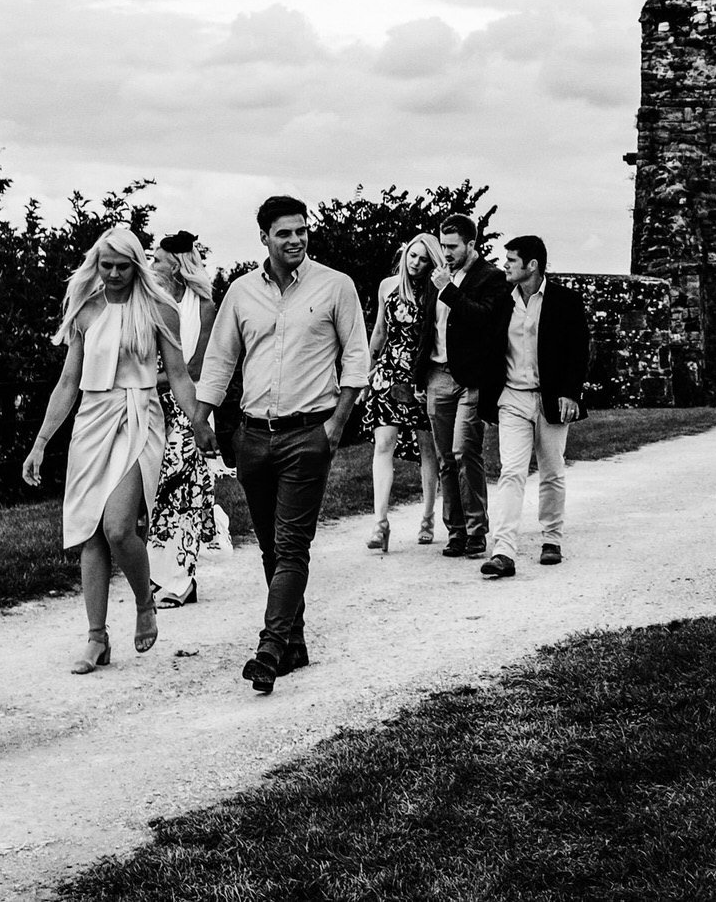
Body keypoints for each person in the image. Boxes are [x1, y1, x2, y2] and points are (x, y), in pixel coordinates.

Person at [193, 195, 364, 695]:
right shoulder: (242, 292)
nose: (295, 239)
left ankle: (269, 648)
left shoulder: (336, 286)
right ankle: (295, 643)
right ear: (264, 237)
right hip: (252, 436)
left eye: (301, 230)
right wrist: (202, 417)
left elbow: (355, 359)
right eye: (284, 232)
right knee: (270, 545)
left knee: (291, 546)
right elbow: (222, 358)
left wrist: (334, 427)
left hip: (307, 434)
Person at [22, 225, 210, 673]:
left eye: (122, 266)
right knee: (90, 530)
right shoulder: (85, 311)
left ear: (136, 265)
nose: (112, 274)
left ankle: (146, 603)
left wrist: (199, 422)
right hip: (92, 419)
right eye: (105, 265)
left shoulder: (159, 310)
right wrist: (41, 443)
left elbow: (181, 375)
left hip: (139, 417)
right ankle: (96, 638)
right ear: (96, 264)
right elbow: (67, 383)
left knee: (120, 527)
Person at [475, 234, 589, 579]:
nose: (505, 265)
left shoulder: (565, 301)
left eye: (511, 260)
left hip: (551, 399)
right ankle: (503, 551)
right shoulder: (500, 301)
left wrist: (570, 392)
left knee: (552, 470)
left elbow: (579, 350)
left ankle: (551, 540)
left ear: (532, 265)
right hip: (512, 397)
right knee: (511, 471)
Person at [146, 231, 223, 606]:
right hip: (151, 409)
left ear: (176, 266)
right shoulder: (150, 302)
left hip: (191, 408)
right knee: (155, 494)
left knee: (185, 493)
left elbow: (193, 367)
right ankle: (158, 575)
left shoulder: (204, 305)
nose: (152, 266)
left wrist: (142, 378)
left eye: (158, 260)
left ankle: (181, 580)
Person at [430, 213, 509, 559]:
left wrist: (448, 289)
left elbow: (484, 319)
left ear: (471, 245)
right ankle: (455, 531)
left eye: (452, 246)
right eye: (443, 245)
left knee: (465, 452)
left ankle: (477, 530)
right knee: (445, 458)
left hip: (471, 378)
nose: (446, 252)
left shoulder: (491, 278)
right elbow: (426, 328)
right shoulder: (436, 277)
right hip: (437, 375)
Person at [364, 233, 441, 551]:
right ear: (405, 253)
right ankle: (380, 524)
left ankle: (427, 518)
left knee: (428, 448)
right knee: (384, 443)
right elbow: (380, 329)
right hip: (388, 372)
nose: (416, 263)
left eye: (424, 259)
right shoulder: (387, 286)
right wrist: (366, 372)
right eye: (413, 256)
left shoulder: (435, 291)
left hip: (421, 375)